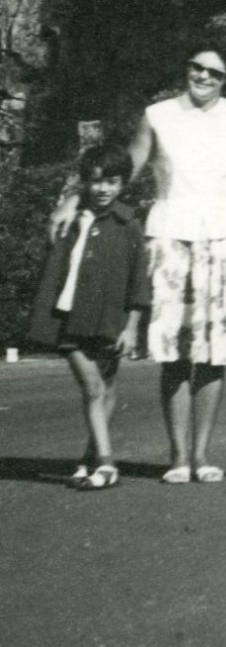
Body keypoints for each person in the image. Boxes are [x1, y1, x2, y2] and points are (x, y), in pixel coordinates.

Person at [50, 41, 226, 484]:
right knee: (176, 356)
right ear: (187, 69)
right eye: (196, 68)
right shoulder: (158, 115)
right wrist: (73, 198)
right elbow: (124, 168)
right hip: (168, 240)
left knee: (216, 355)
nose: (202, 77)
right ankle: (179, 457)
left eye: (214, 73)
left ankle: (203, 457)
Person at [29, 144, 151, 490]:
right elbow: (52, 266)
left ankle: (90, 460)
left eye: (111, 181)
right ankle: (108, 465)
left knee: (107, 389)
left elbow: (139, 282)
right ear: (85, 183)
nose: (103, 189)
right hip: (69, 321)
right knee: (94, 388)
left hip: (110, 323)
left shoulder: (128, 224)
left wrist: (131, 328)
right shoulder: (69, 219)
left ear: (123, 183)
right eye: (95, 182)